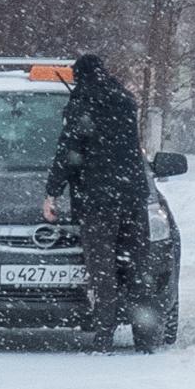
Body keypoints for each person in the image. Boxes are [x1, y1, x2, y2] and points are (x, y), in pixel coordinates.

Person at [43, 54, 156, 340]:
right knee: (137, 265)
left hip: (98, 199)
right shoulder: (125, 101)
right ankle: (143, 333)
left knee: (102, 267)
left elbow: (68, 154)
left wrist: (52, 193)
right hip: (132, 197)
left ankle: (105, 330)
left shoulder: (83, 104)